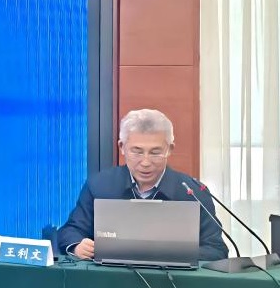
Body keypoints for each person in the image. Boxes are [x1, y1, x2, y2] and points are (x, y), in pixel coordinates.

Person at [57, 108, 229, 262]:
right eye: (137, 151)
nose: (145, 162)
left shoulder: (193, 192)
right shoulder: (100, 185)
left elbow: (216, 250)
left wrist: (168, 254)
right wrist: (77, 246)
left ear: (169, 149)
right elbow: (70, 231)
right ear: (122, 147)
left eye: (155, 152)